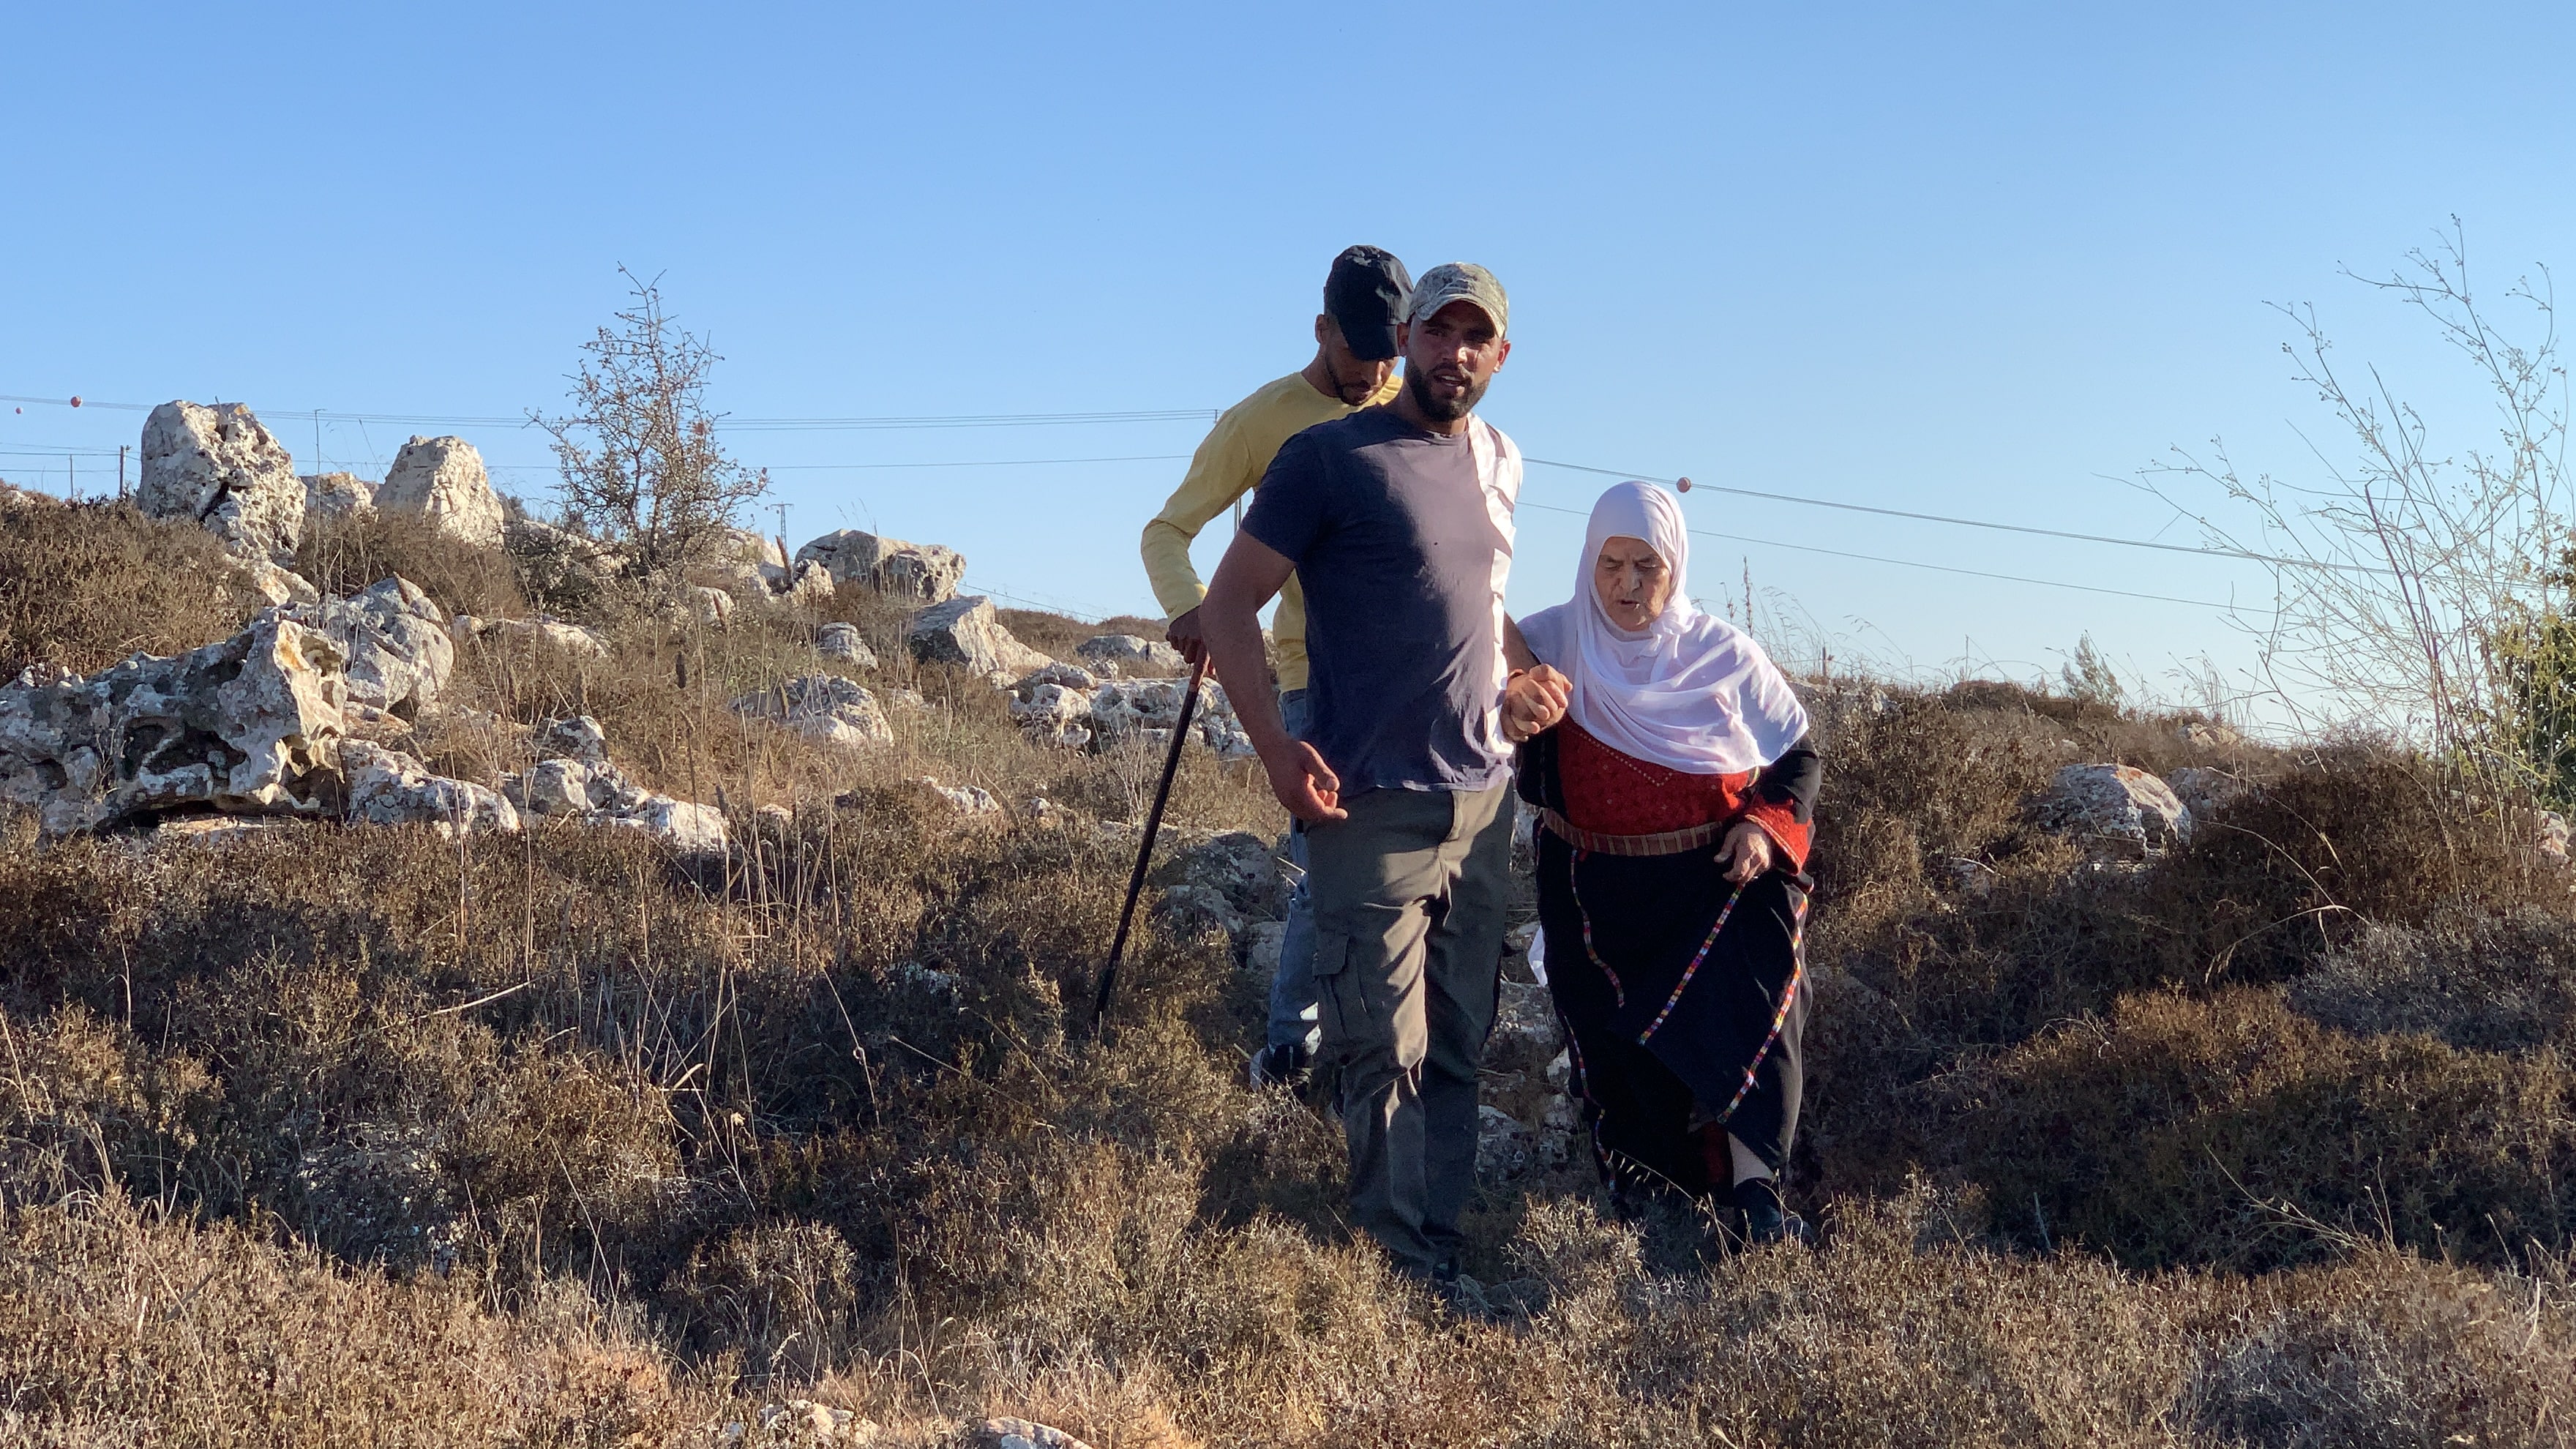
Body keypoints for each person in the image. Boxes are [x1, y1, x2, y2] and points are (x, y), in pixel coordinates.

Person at [1197, 262, 1571, 1296]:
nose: (1455, 353)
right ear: (1404, 337)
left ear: (1501, 355)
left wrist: (1527, 681)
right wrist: (1277, 752)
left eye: (1475, 338)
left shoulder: (1501, 458)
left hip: (1482, 803)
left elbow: (1482, 597)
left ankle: (1436, 1244)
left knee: (1458, 1043)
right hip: (1370, 805)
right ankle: (1400, 1273)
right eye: (1437, 332)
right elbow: (1228, 609)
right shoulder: (1325, 459)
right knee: (1381, 1049)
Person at [1513, 482, 1821, 1245]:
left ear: (1675, 566)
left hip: (1714, 884)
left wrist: (1759, 826)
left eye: (1645, 566)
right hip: (1594, 896)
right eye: (1610, 563)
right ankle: (1654, 1197)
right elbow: (1481, 668)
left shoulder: (1723, 655)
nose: (1625, 584)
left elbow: (1797, 759)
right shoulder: (1549, 642)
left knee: (1761, 1008)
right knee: (1621, 1053)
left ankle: (1757, 1196)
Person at [1141, 244, 1412, 1090]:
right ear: (1322, 328)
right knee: (1325, 865)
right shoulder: (1261, 420)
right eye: (1358, 346)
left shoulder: (1415, 402)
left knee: (1400, 873)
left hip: (1406, 677)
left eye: (1389, 350)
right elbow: (1167, 530)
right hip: (1309, 674)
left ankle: (1379, 1044)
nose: (1374, 369)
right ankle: (1288, 1056)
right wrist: (1193, 613)